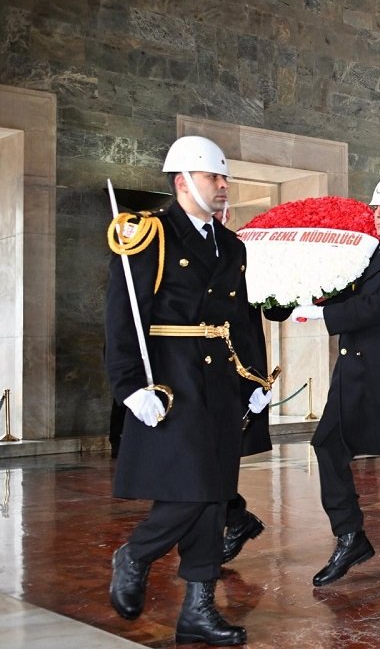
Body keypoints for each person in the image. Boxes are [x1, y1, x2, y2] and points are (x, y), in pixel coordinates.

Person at [106, 135, 271, 645]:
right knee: (196, 487)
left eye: (224, 178)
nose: (223, 187)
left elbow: (244, 320)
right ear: (182, 182)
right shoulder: (150, 235)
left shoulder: (233, 246)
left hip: (220, 382)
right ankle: (135, 554)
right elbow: (122, 317)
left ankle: (198, 610)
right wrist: (130, 385)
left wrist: (256, 379)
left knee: (216, 491)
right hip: (171, 380)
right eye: (212, 178)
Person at [289, 173, 380, 586]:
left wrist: (327, 316)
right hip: (354, 370)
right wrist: (298, 296)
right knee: (327, 444)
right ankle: (350, 535)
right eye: (376, 207)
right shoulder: (366, 253)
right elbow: (343, 290)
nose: (378, 215)